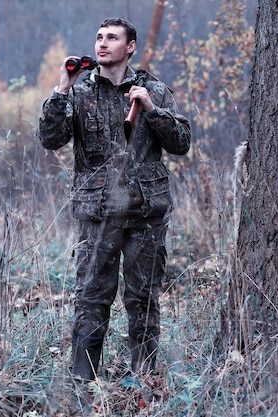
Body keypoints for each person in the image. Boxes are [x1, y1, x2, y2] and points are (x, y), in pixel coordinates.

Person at [37, 17, 191, 384]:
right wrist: (61, 88)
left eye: (112, 38)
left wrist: (151, 109)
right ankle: (82, 385)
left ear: (130, 46)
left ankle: (145, 381)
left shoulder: (154, 89)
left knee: (144, 300)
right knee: (91, 298)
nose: (102, 44)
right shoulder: (78, 92)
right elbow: (49, 139)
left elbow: (181, 144)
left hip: (144, 213)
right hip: (97, 213)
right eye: (99, 37)